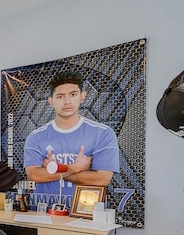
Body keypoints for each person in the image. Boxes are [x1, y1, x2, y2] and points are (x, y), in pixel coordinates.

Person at [23, 71, 120, 208]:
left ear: (82, 97)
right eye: (60, 96)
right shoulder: (35, 137)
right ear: (51, 101)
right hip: (43, 214)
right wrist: (76, 168)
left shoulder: (103, 133)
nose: (67, 101)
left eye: (73, 94)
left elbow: (101, 179)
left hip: (85, 216)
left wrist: (54, 169)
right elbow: (34, 176)